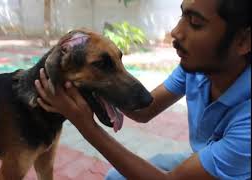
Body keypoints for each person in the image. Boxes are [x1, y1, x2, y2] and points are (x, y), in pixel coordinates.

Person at [34, 0, 251, 179]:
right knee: (114, 177)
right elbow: (143, 110)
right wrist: (97, 84)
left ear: (243, 40)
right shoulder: (197, 69)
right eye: (182, 16)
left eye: (195, 23)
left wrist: (84, 123)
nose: (176, 32)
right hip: (205, 154)